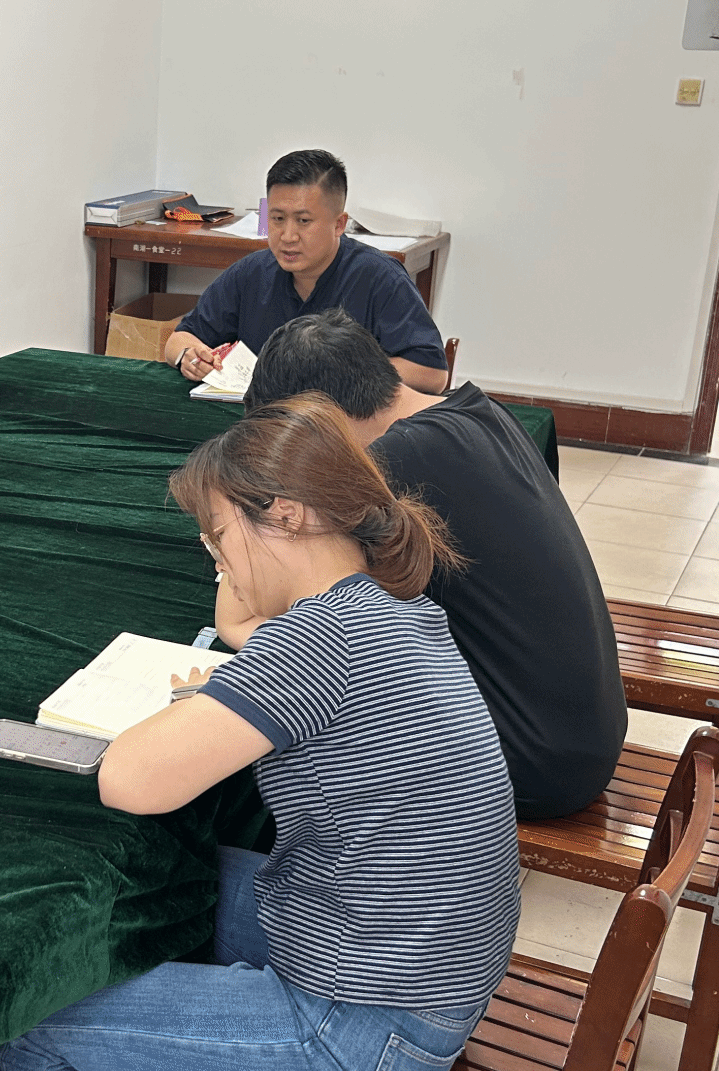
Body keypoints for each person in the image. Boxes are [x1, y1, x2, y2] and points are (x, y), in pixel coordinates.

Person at [0, 395, 519, 1071]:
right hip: (419, 958)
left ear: (289, 515)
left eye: (218, 536)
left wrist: (220, 668)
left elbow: (130, 779)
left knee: (26, 1017)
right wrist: (246, 617)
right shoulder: (386, 605)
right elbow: (253, 631)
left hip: (371, 1031)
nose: (214, 561)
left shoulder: (314, 647)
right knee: (185, 875)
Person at [246, 310, 626, 818]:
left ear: (322, 419)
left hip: (529, 760)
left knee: (298, 731)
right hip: (584, 731)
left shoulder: (392, 462)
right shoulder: (478, 411)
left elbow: (276, 594)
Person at [162, 149, 447, 393]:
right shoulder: (252, 273)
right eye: (277, 218)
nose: (288, 236)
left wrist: (339, 374)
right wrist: (189, 357)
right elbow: (180, 339)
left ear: (339, 224)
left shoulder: (379, 278)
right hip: (260, 422)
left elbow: (432, 374)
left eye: (303, 221)